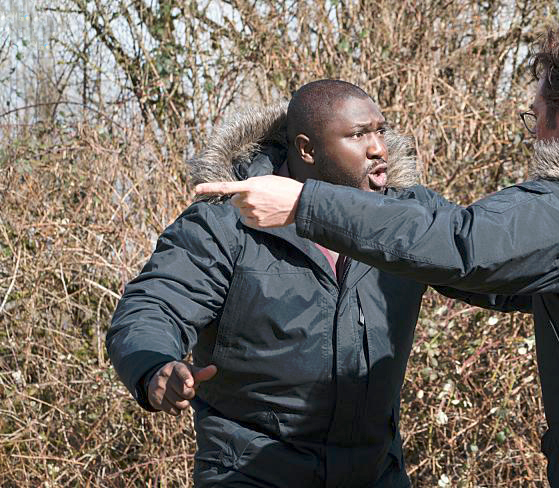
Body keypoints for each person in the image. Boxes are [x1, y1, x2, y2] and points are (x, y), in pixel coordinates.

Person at [196, 19, 559, 488]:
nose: (531, 135)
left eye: (534, 118)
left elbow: (462, 243)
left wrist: (307, 204)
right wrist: (400, 236)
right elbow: (504, 277)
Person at [107, 79, 523, 487]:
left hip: (375, 472)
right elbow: (153, 306)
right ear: (306, 149)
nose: (378, 147)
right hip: (252, 472)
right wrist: (153, 368)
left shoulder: (405, 218)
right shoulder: (226, 222)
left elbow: (491, 271)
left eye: (380, 130)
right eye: (358, 135)